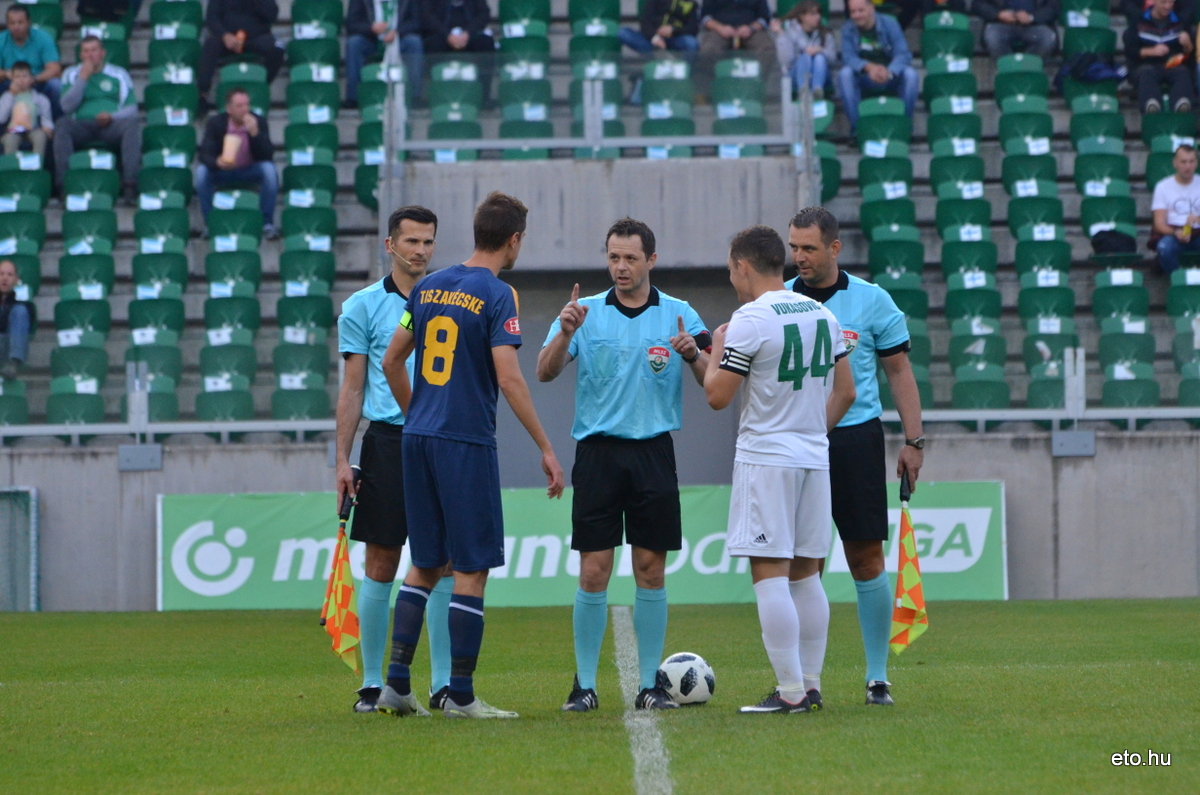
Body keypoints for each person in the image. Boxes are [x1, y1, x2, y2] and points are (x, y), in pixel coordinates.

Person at [377, 192, 566, 719]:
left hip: (419, 438)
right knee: (471, 568)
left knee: (425, 562)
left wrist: (418, 416)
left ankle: (396, 685)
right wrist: (547, 449)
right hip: (465, 441)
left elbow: (392, 360)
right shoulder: (499, 293)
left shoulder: (430, 285)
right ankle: (460, 694)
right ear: (514, 239)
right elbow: (508, 377)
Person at [536, 218, 712, 713]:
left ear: (651, 261)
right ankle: (584, 685)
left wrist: (694, 354)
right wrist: (563, 333)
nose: (620, 266)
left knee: (649, 569)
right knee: (594, 570)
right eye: (613, 257)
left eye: (630, 258)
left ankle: (650, 685)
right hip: (597, 454)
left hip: (654, 453)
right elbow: (545, 372)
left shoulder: (679, 313)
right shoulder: (583, 311)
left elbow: (714, 378)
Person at [704, 225, 855, 714]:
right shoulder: (823, 314)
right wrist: (809, 433)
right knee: (807, 576)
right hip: (814, 457)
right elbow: (846, 392)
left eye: (731, 269)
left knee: (770, 577)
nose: (731, 277)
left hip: (767, 458)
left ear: (743, 266)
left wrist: (714, 350)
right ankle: (810, 685)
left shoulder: (748, 320)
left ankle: (790, 691)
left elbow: (717, 396)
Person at [784, 206, 924, 707]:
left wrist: (914, 440)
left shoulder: (870, 300)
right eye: (793, 247)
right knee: (804, 563)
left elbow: (899, 372)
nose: (798, 257)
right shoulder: (779, 301)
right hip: (797, 441)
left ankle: (877, 677)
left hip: (855, 438)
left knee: (865, 558)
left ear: (834, 248)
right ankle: (803, 681)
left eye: (808, 248)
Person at [336, 206, 455, 713]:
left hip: (443, 442)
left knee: (444, 564)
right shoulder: (361, 306)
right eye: (411, 241)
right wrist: (343, 459)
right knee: (381, 563)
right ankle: (371, 684)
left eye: (428, 241)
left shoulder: (452, 301)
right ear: (390, 245)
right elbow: (353, 386)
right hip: (387, 442)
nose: (421, 250)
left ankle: (444, 684)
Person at [54, 36, 140, 204]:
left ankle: (130, 185)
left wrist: (112, 116)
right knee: (62, 125)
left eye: (94, 50)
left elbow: (132, 108)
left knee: (132, 125)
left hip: (111, 125)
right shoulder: (71, 74)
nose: (90, 55)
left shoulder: (119, 74)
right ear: (80, 55)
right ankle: (64, 185)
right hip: (81, 125)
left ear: (102, 53)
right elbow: (65, 107)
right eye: (86, 51)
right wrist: (83, 79)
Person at [195, 87, 278, 239]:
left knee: (269, 171)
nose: (245, 109)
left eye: (247, 105)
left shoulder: (258, 122)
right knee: (201, 173)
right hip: (223, 170)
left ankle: (267, 223)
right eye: (239, 106)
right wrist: (217, 162)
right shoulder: (216, 123)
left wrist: (255, 134)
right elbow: (204, 154)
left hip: (249, 169)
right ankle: (210, 223)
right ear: (229, 109)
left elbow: (268, 154)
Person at [837, 0, 918, 133]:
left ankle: (904, 128)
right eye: (853, 12)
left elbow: (903, 54)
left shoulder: (890, 24)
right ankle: (858, 130)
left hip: (891, 76)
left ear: (871, 8)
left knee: (911, 75)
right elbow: (848, 58)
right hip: (864, 78)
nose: (856, 15)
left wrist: (889, 72)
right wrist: (869, 68)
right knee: (845, 74)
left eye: (860, 10)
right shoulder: (848, 28)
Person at [197, 0, 284, 109]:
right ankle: (202, 94)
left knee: (278, 48)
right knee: (210, 44)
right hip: (227, 38)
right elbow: (212, 18)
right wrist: (224, 35)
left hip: (256, 37)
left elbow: (272, 15)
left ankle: (259, 86)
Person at [345, 0, 426, 109]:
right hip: (371, 41)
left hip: (399, 40)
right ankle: (353, 98)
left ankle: (414, 96)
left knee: (414, 42)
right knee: (354, 43)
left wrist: (397, 32)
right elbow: (352, 24)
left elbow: (416, 23)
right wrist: (371, 28)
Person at [1124, 0, 1194, 114]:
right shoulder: (1139, 21)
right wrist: (1151, 51)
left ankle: (1182, 105)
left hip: (1172, 65)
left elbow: (1188, 53)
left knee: (1183, 72)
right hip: (1147, 65)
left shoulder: (1180, 21)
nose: (1167, 7)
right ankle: (1151, 105)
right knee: (1146, 73)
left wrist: (1187, 44)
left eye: (1170, 3)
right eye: (1163, 3)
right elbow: (1130, 51)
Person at [0, 4, 62, 118]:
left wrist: (33, 79)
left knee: (56, 85)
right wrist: (6, 74)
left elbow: (54, 68)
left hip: (37, 82)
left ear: (29, 22)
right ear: (7, 24)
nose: (16, 27)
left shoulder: (43, 38)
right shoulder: (1, 40)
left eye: (20, 22)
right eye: (12, 23)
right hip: (9, 83)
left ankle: (54, 124)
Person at [772, 0, 838, 99]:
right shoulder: (790, 32)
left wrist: (820, 51)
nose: (818, 17)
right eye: (812, 14)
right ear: (802, 16)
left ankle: (817, 90)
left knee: (819, 57)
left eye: (818, 13)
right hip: (795, 75)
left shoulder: (825, 33)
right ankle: (803, 90)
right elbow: (786, 61)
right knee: (805, 57)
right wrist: (781, 35)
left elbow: (833, 61)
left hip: (822, 75)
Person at [1152, 144, 1200, 273]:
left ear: (1196, 163)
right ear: (1175, 163)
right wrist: (1176, 233)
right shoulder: (1163, 186)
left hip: (1197, 231)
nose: (1188, 166)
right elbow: (1159, 223)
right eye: (1183, 162)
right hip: (1174, 232)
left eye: (1191, 162)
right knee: (1164, 247)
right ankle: (1178, 282)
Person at [974, 0, 1059, 59]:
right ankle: (1008, 67)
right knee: (992, 37)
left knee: (1047, 38)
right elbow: (978, 4)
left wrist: (1032, 17)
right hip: (1002, 24)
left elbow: (1053, 7)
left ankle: (1029, 67)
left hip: (1034, 24)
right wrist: (998, 14)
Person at [0, 62, 53, 156]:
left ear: (31, 79)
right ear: (12, 79)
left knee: (40, 137)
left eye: (24, 76)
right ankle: (12, 168)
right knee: (10, 139)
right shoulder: (7, 97)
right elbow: (1, 118)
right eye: (17, 77)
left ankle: (37, 165)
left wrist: (48, 128)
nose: (21, 80)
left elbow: (46, 118)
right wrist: (11, 94)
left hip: (33, 129)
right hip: (13, 130)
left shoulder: (40, 98)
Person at [619, 0, 702, 56]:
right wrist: (654, 38)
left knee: (691, 43)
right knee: (623, 33)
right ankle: (659, 55)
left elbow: (693, 28)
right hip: (650, 39)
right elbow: (645, 21)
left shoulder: (691, 3)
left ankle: (687, 74)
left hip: (674, 39)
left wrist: (673, 29)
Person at [0, 259, 31, 380]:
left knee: (20, 311)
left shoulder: (24, 306)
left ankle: (13, 363)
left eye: (9, 275)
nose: (5, 278)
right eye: (1, 274)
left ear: (16, 280)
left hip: (8, 346)